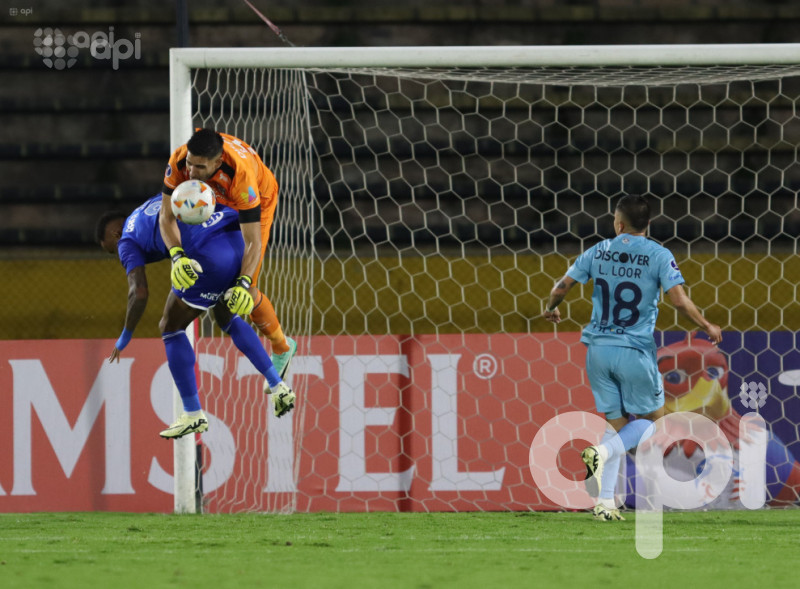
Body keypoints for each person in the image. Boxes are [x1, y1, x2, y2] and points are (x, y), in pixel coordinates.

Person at [543, 194, 722, 521]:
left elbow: (561, 287)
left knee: (618, 426)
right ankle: (600, 453)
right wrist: (706, 324)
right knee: (655, 422)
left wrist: (552, 308)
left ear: (618, 224)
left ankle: (604, 504)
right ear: (648, 224)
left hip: (597, 351)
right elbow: (679, 301)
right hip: (634, 350)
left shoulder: (598, 250)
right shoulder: (658, 254)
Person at [96, 196, 296, 439]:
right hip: (239, 240)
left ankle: (192, 413)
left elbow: (138, 293)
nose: (117, 256)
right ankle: (278, 385)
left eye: (112, 250)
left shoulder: (126, 241)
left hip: (208, 256)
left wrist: (125, 336)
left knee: (170, 327)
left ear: (115, 234)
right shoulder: (151, 204)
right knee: (226, 316)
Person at [159, 128, 296, 383]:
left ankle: (282, 346)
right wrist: (177, 256)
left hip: (255, 197)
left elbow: (253, 241)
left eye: (199, 167)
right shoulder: (179, 160)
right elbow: (166, 216)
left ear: (217, 162)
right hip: (213, 194)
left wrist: (243, 282)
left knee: (246, 289)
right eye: (190, 164)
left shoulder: (241, 177)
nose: (191, 172)